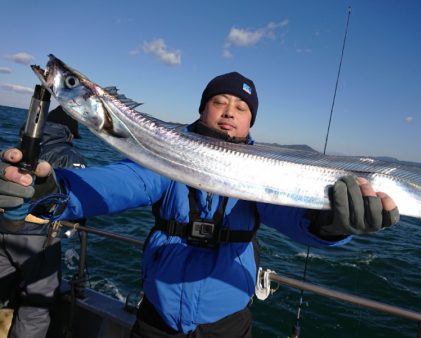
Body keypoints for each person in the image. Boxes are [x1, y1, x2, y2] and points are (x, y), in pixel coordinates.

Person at [0, 72, 399, 338]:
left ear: (251, 123)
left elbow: (296, 217)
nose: (229, 112)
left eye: (241, 108)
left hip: (227, 325)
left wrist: (334, 223)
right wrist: (50, 190)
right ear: (202, 108)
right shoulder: (166, 156)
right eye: (219, 102)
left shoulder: (263, 174)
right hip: (155, 317)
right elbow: (121, 182)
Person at [0, 106, 87, 338]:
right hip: (38, 236)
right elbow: (79, 202)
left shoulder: (24, 144)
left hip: (4, 226)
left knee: (3, 296)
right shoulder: (71, 156)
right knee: (35, 309)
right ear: (68, 133)